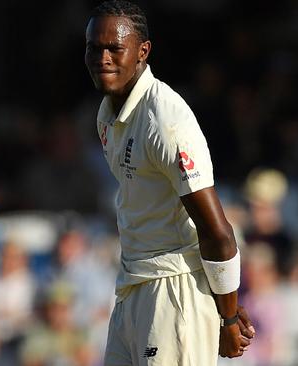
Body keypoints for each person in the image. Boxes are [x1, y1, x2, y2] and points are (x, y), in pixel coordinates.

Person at [83, 1, 255, 365]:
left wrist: (228, 316)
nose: (103, 58)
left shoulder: (164, 117)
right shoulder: (107, 114)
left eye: (115, 48)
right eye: (94, 48)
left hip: (174, 290)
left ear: (143, 51)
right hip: (132, 286)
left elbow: (218, 231)